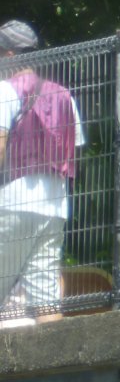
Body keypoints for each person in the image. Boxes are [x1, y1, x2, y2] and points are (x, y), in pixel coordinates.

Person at [0, 20, 82, 326]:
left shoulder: (4, 91)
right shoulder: (63, 95)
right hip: (55, 206)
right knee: (46, 302)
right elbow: (74, 149)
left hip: (13, 203)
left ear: (9, 55)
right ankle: (63, 369)